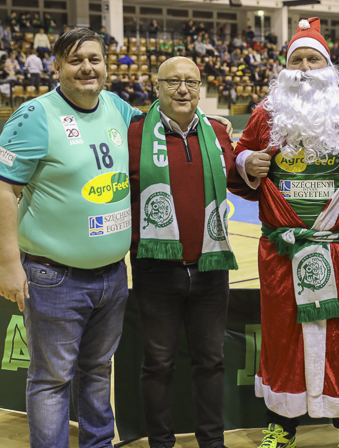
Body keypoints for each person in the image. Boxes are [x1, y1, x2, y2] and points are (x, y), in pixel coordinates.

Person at [232, 18, 339, 448]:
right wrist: (247, 163)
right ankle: (281, 424)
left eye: (313, 59)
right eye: (297, 59)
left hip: (338, 248)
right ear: (285, 67)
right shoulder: (266, 113)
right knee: (281, 334)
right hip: (281, 250)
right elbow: (239, 158)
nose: (304, 67)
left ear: (328, 65)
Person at [0, 28, 140, 448]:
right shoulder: (34, 115)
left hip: (112, 276)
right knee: (51, 379)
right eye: (75, 60)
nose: (86, 68)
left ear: (106, 66)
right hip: (54, 278)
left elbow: (161, 129)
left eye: (94, 59)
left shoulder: (118, 107)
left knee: (98, 371)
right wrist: (8, 264)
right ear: (56, 67)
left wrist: (211, 124)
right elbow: (1, 189)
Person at [127, 57, 240, 448]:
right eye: (172, 81)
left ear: (199, 88)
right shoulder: (133, 133)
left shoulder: (218, 132)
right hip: (155, 270)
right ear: (156, 86)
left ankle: (212, 442)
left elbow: (240, 179)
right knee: (158, 364)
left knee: (211, 362)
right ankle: (161, 443)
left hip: (211, 267)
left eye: (190, 82)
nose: (182, 89)